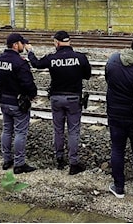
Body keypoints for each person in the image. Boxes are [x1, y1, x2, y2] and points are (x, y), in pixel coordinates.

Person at [27, 30, 91, 175]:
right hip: (74, 98)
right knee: (73, 130)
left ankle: (60, 158)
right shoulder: (80, 58)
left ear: (56, 43)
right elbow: (87, 75)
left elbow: (36, 64)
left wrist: (30, 51)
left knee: (58, 129)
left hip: (56, 98)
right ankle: (73, 163)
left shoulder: (52, 58)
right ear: (69, 42)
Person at [105, 34, 133, 198]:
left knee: (117, 150)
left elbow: (108, 80)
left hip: (115, 114)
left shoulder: (113, 61)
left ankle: (119, 188)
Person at [0, 33, 38, 174]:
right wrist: (32, 95)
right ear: (15, 45)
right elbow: (28, 83)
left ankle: (7, 160)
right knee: (20, 132)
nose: (23, 46)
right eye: (22, 44)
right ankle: (19, 164)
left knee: (6, 130)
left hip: (4, 101)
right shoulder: (20, 62)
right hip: (18, 103)